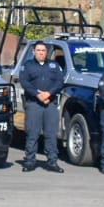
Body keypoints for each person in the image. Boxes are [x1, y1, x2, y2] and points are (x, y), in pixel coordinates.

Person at [19, 42, 64, 173]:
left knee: (51, 134)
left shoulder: (54, 65)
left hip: (50, 103)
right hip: (34, 103)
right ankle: (30, 161)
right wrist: (37, 94)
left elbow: (59, 81)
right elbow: (24, 82)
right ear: (34, 51)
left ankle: (52, 161)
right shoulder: (27, 66)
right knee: (32, 134)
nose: (41, 53)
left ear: (47, 52)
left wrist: (49, 93)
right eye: (38, 50)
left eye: (43, 50)